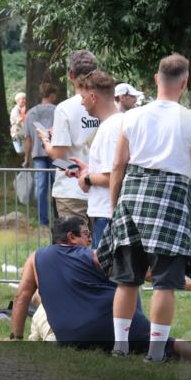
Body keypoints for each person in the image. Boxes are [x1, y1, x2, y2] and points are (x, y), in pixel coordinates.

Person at [108, 54, 191, 363]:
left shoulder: (131, 116)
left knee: (127, 278)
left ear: (157, 79)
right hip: (171, 198)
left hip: (132, 195)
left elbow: (118, 166)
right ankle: (156, 354)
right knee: (165, 282)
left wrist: (115, 205)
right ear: (183, 83)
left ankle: (120, 347)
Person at [9, 218, 191, 362]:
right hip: (108, 325)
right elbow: (140, 273)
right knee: (167, 342)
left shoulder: (35, 259)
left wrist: (15, 338)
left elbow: (21, 298)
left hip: (69, 338)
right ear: (71, 237)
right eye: (86, 234)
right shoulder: (92, 256)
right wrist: (189, 281)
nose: (90, 238)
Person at [66, 71, 122, 248]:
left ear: (93, 97)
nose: (81, 102)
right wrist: (87, 170)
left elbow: (113, 176)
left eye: (83, 97)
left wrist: (87, 178)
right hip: (110, 212)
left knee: (107, 273)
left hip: (107, 214)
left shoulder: (110, 129)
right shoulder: (119, 122)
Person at [45, 50, 100, 221]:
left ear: (70, 74)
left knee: (72, 247)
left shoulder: (64, 108)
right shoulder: (107, 104)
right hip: (101, 187)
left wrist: (46, 141)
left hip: (71, 190)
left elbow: (57, 157)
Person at [22, 83, 59, 227]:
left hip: (38, 154)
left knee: (40, 188)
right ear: (52, 95)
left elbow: (27, 138)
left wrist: (26, 157)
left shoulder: (31, 113)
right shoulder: (58, 111)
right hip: (56, 153)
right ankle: (58, 217)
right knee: (58, 186)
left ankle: (42, 220)